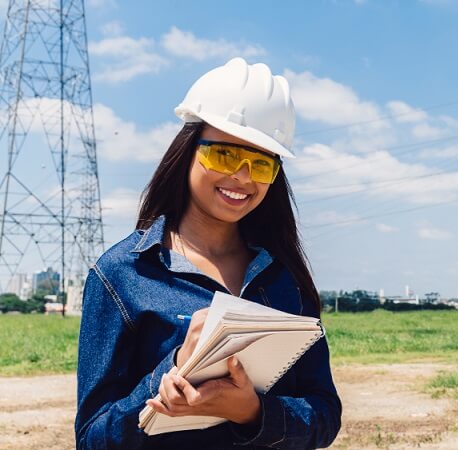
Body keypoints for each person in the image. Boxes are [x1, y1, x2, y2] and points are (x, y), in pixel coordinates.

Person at [75, 58, 341, 449]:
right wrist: (177, 366)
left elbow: (325, 417)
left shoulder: (285, 280)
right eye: (225, 155)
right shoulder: (123, 275)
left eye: (263, 164)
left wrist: (251, 412)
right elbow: (92, 439)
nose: (243, 177)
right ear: (186, 150)